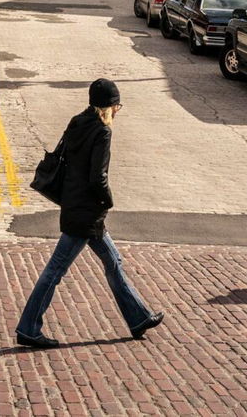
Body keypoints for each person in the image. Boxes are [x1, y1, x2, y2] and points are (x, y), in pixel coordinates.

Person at [15, 79, 163, 348]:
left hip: (75, 205)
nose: (118, 110)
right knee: (55, 270)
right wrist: (107, 201)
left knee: (113, 262)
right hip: (87, 213)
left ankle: (138, 317)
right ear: (109, 106)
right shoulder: (102, 132)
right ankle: (28, 327)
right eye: (117, 105)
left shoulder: (77, 121)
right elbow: (98, 178)